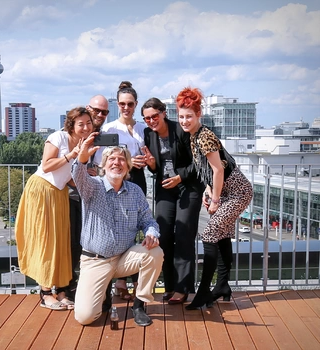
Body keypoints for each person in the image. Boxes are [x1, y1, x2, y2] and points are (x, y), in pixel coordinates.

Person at [71, 138, 163, 327]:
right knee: (85, 317)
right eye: (111, 159)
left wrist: (151, 233)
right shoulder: (93, 186)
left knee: (155, 252)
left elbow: (148, 220)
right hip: (96, 260)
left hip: (124, 258)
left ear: (128, 167)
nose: (117, 162)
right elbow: (78, 176)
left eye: (122, 159)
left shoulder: (135, 191)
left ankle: (139, 305)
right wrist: (81, 159)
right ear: (103, 165)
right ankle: (102, 295)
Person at [176, 87, 253, 310]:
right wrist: (207, 191)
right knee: (222, 236)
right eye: (181, 116)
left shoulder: (204, 136)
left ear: (198, 114)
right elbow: (207, 170)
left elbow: (219, 170)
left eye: (189, 116)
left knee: (209, 235)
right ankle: (222, 287)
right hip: (226, 192)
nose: (184, 120)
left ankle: (204, 293)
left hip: (237, 192)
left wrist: (216, 199)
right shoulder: (194, 136)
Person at [15, 107, 94, 310]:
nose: (85, 127)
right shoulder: (58, 137)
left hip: (59, 193)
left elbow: (71, 180)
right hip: (41, 191)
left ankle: (60, 291)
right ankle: (45, 293)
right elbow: (47, 165)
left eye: (88, 123)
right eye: (81, 123)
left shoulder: (84, 145)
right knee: (45, 240)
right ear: (72, 125)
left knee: (61, 243)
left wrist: (91, 174)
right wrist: (72, 155)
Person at [142, 97, 204, 305]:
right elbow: (157, 168)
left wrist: (180, 177)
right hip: (166, 189)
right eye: (147, 118)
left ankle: (183, 288)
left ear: (163, 113)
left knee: (184, 235)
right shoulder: (148, 134)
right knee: (164, 234)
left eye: (154, 116)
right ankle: (169, 286)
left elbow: (198, 163)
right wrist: (151, 165)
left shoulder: (181, 130)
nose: (151, 121)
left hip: (188, 186)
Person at [100, 81, 148, 301]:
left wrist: (146, 161)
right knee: (118, 227)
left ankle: (135, 275)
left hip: (138, 179)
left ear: (136, 104)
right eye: (122, 104)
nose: (126, 107)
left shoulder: (142, 128)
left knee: (136, 226)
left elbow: (150, 154)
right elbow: (102, 158)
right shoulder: (109, 128)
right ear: (117, 105)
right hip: (117, 179)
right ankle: (119, 280)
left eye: (130, 104)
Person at [67, 95, 109, 299]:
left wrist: (96, 171)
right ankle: (69, 286)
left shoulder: (103, 136)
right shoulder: (72, 135)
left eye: (104, 112)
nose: (99, 115)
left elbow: (106, 170)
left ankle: (90, 288)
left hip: (92, 196)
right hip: (71, 195)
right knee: (72, 243)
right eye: (96, 110)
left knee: (90, 243)